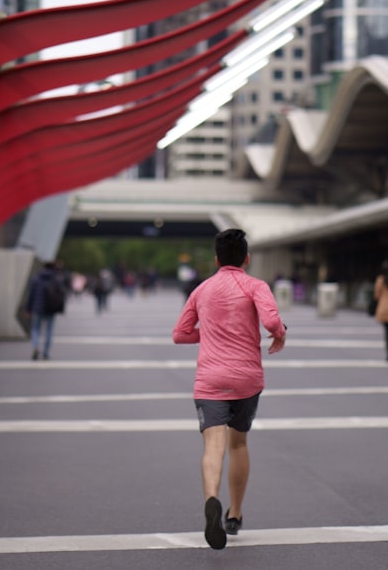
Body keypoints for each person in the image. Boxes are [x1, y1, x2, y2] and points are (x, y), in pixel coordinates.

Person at [171, 229, 287, 550]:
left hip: (209, 380)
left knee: (213, 446)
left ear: (217, 259)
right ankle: (234, 514)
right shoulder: (255, 286)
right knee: (238, 444)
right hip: (246, 378)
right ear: (247, 259)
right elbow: (272, 321)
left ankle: (212, 500)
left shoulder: (201, 289)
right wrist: (280, 332)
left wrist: (208, 333)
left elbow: (180, 334)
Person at [24, 261, 65, 360]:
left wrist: (28, 309)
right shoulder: (56, 279)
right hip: (51, 308)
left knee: (35, 329)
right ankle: (46, 352)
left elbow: (31, 295)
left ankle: (36, 346)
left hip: (37, 308)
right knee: (49, 330)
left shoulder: (36, 278)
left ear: (43, 267)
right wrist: (61, 308)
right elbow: (61, 295)